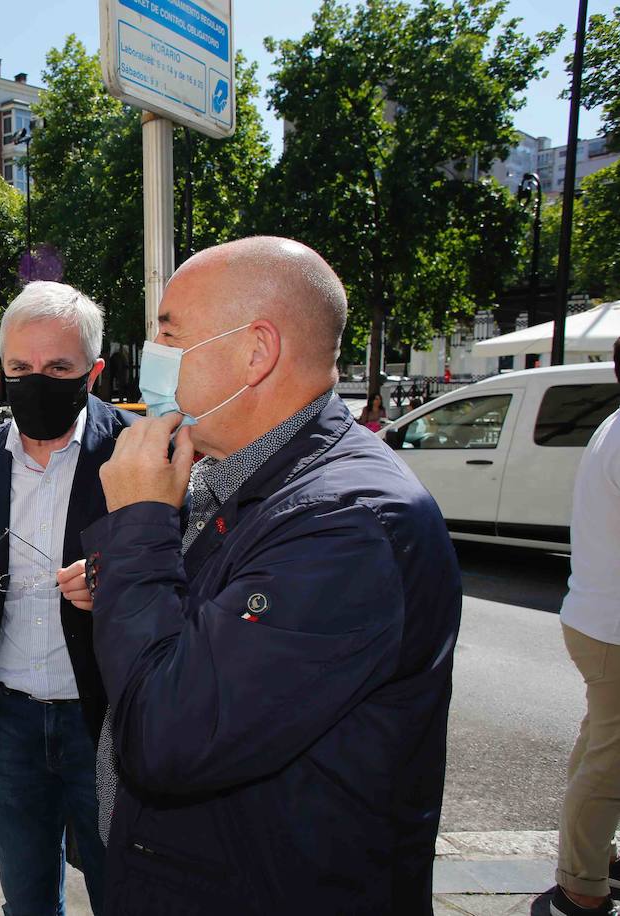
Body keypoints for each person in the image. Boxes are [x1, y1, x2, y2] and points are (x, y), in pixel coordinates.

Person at [82, 237, 460, 914]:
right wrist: (125, 579)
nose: (153, 351)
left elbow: (168, 735)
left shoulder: (348, 523)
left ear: (256, 352)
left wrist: (137, 526)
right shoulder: (234, 474)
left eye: (168, 330)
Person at [0, 281, 133, 914]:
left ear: (93, 372)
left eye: (58, 368)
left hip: (102, 722)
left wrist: (119, 587)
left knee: (121, 890)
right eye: (20, 368)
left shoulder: (136, 455)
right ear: (0, 371)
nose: (35, 381)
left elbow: (183, 577)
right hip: (9, 723)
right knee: (25, 898)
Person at [545, 341, 620, 916]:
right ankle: (581, 883)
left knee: (602, 745)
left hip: (598, 618)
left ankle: (589, 859)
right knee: (609, 762)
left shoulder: (613, 425)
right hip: (612, 625)